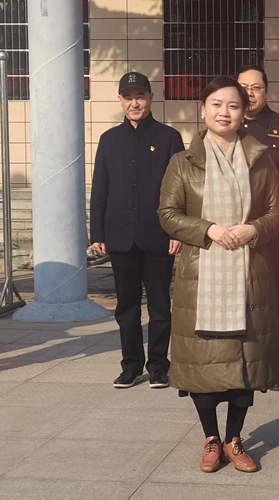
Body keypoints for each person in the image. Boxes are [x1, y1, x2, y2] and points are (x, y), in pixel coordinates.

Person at [157, 76, 279, 473]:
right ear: (203, 110)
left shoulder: (261, 159)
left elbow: (278, 213)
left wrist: (254, 229)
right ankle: (211, 438)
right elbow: (167, 214)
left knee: (246, 360)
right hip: (201, 276)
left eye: (233, 105)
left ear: (244, 112)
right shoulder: (183, 162)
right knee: (202, 362)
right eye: (216, 104)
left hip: (250, 275)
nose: (224, 112)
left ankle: (234, 438)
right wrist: (208, 229)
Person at [90, 72, 184, 389]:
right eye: (128, 97)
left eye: (140, 96)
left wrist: (177, 231)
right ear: (120, 100)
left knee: (160, 306)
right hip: (120, 236)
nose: (134, 103)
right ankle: (130, 366)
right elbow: (100, 188)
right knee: (126, 307)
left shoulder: (169, 137)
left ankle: (158, 366)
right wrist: (97, 232)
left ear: (151, 98)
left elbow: (180, 188)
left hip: (158, 236)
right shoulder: (109, 140)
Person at [236, 65, 279, 391]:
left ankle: (273, 366)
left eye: (256, 87)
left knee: (270, 298)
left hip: (270, 230)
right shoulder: (227, 125)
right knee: (235, 297)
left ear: (266, 90)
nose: (250, 93)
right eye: (244, 87)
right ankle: (240, 364)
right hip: (231, 229)